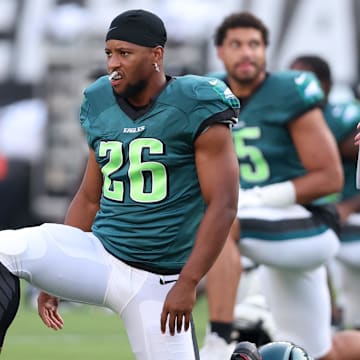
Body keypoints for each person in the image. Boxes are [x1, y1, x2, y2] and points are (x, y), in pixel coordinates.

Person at [0, 9, 240, 359]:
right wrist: (51, 280)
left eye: (124, 53)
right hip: (101, 255)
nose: (114, 63)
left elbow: (223, 204)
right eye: (109, 53)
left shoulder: (195, 103)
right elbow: (88, 197)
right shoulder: (100, 100)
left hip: (158, 279)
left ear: (156, 55)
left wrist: (188, 282)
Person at [200, 11, 360, 360]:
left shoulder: (289, 90)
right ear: (220, 52)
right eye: (237, 44)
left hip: (307, 224)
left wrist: (254, 198)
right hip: (268, 231)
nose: (247, 53)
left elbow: (330, 177)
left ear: (266, 51)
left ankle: (218, 341)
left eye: (254, 45)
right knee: (323, 353)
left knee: (223, 221)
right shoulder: (206, 92)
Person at [290, 55, 360, 330]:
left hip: (345, 219)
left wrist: (350, 206)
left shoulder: (344, 117)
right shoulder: (285, 118)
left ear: (326, 85)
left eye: (304, 80)